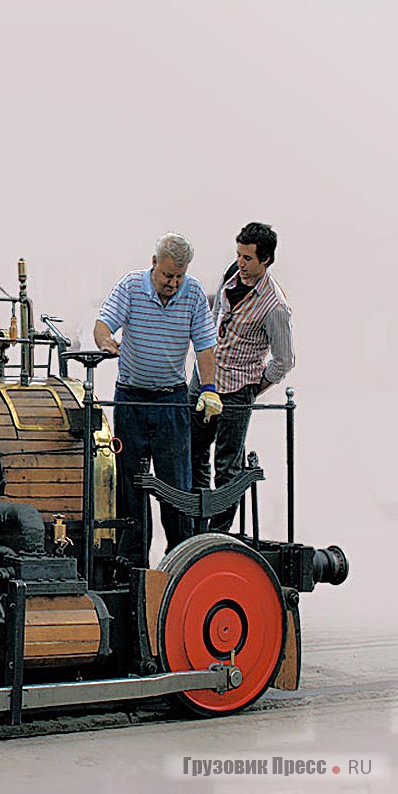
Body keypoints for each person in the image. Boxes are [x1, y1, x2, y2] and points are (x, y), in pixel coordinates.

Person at [94, 232, 220, 569]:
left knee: (175, 486)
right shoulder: (131, 286)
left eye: (179, 276)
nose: (173, 283)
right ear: (154, 264)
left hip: (171, 402)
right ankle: (134, 565)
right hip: (132, 400)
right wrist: (106, 340)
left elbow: (205, 347)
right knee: (131, 484)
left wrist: (209, 388)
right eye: (167, 276)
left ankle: (179, 559)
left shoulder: (193, 294)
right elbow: (103, 323)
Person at [190, 222, 294, 532]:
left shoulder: (275, 307)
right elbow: (214, 320)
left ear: (266, 260)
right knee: (194, 453)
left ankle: (218, 533)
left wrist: (252, 390)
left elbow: (283, 360)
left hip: (237, 389)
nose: (241, 263)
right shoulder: (230, 277)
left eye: (248, 258)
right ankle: (197, 525)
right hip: (205, 379)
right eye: (239, 255)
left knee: (228, 466)